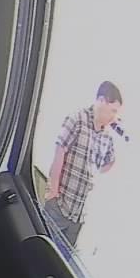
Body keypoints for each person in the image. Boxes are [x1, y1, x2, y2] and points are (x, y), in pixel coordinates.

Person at [44, 81, 123, 247]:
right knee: (44, 249)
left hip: (79, 215)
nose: (114, 116)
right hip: (60, 205)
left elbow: (108, 163)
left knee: (64, 257)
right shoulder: (77, 119)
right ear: (101, 101)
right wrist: (53, 192)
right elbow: (59, 151)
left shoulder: (107, 136)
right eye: (113, 111)